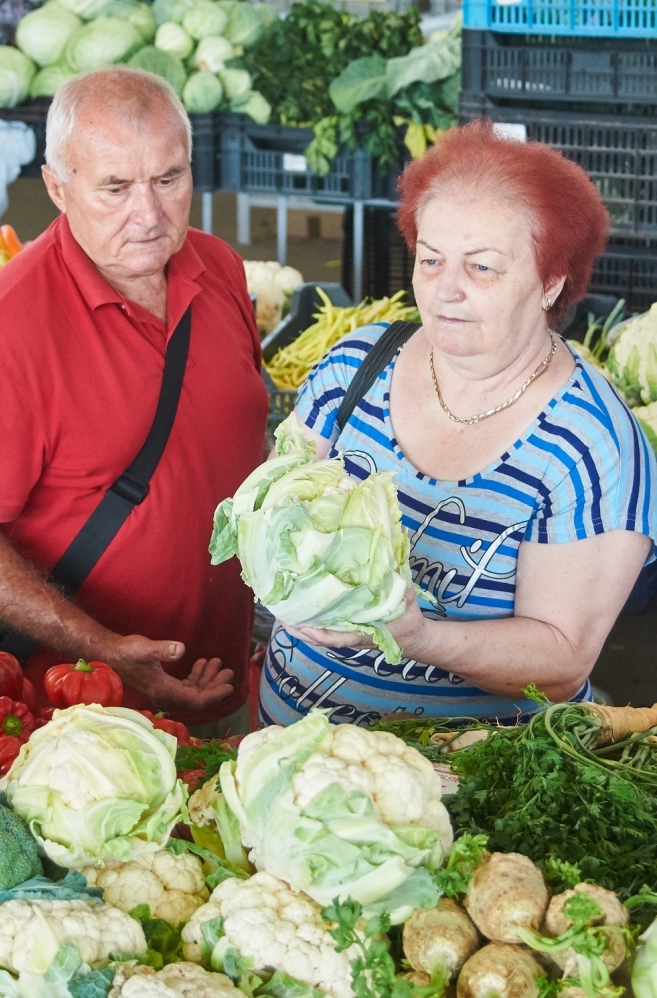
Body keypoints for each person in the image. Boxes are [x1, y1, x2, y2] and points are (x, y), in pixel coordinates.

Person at [259, 120, 657, 727]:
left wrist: (416, 635)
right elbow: (271, 507)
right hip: (289, 755)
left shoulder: (591, 442)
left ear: (551, 281)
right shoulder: (353, 365)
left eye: (482, 269)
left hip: (464, 790)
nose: (446, 291)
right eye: (431, 260)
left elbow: (562, 660)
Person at [0, 68, 268, 734]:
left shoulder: (218, 268)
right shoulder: (10, 333)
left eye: (169, 179)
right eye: (115, 187)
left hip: (217, 688)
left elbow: (232, 437)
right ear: (57, 187)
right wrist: (102, 648)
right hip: (74, 721)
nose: (149, 213)